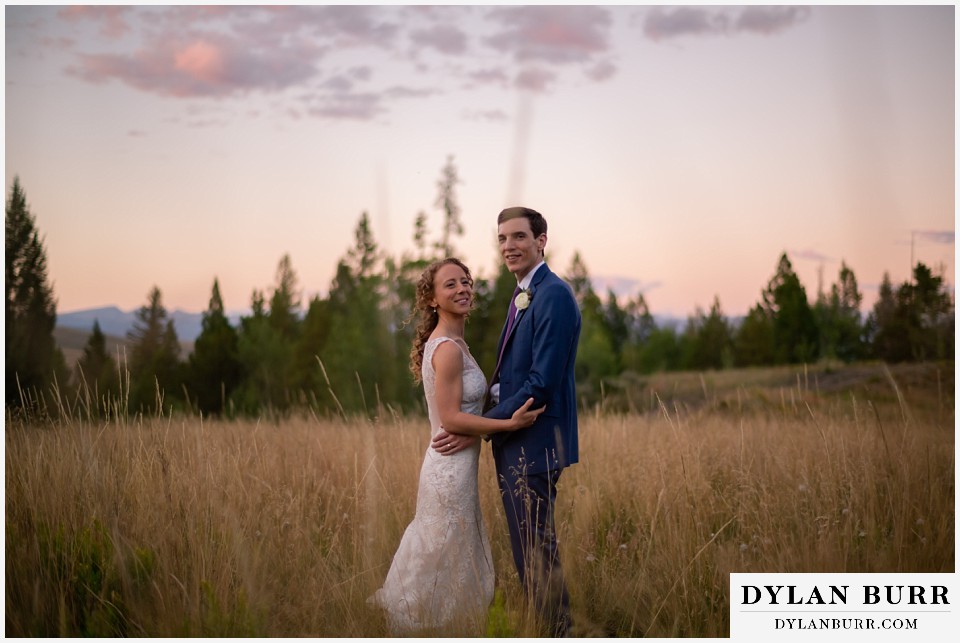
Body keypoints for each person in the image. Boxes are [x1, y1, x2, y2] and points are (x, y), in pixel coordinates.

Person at [369, 257, 544, 635]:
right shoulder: (447, 348)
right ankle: (426, 626)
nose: (462, 288)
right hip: (447, 470)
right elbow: (450, 419)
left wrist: (479, 427)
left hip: (455, 464)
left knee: (449, 550)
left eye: (465, 281)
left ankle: (450, 627)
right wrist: (507, 423)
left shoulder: (456, 343)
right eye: (450, 284)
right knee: (442, 550)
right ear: (432, 299)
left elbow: (461, 414)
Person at [432, 206, 581, 637]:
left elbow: (541, 382)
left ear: (541, 241)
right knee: (530, 549)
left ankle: (558, 632)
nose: (509, 246)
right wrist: (481, 424)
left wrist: (473, 426)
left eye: (518, 237)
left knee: (535, 551)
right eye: (502, 239)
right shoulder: (524, 293)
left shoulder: (551, 294)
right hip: (516, 442)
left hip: (533, 441)